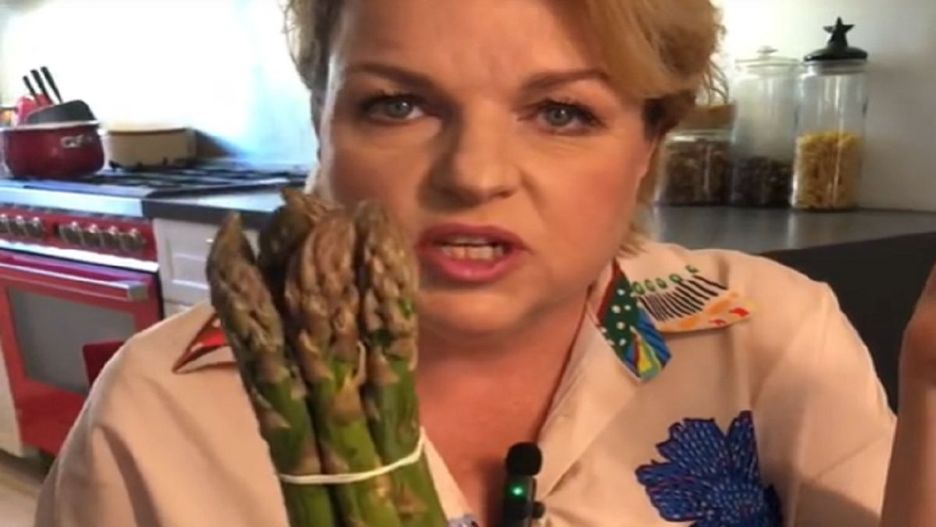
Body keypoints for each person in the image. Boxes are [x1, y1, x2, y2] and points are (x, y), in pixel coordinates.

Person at [35, 0, 936, 526]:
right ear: (322, 123)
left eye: (561, 113)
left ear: (650, 143)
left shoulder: (770, 334)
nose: (473, 174)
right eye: (398, 104)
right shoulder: (158, 409)